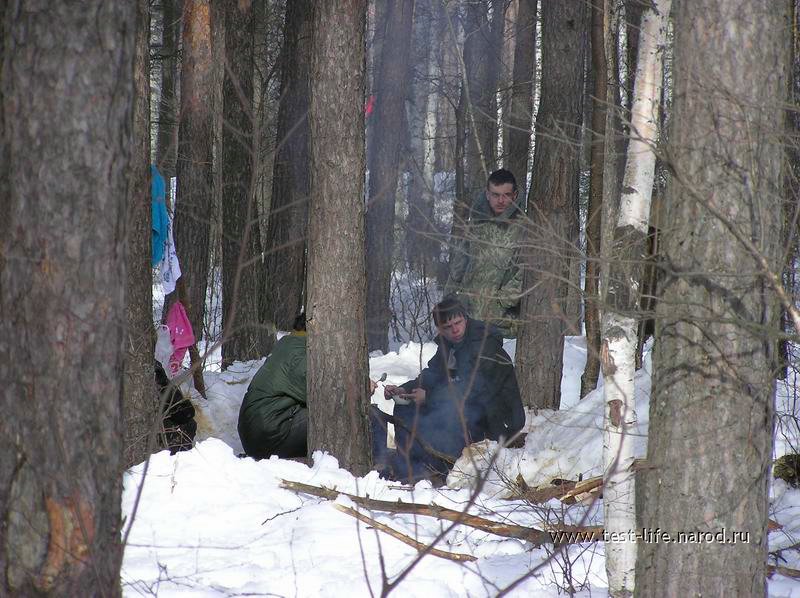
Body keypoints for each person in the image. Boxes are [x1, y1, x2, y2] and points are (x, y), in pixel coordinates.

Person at [377, 297, 525, 482]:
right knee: (405, 407)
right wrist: (404, 389)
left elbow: (475, 390)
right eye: (447, 327)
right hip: (466, 409)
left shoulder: (484, 344)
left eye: (458, 323)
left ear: (466, 318)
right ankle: (408, 466)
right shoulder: (449, 345)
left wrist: (429, 398)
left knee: (446, 419)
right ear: (440, 328)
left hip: (495, 420)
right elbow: (433, 376)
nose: (455, 330)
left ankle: (438, 467)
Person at [445, 168, 524, 337]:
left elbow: (524, 274)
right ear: (487, 194)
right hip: (465, 320)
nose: (501, 200)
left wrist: (498, 304)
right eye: (495, 195)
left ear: (515, 195)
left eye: (506, 195)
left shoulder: (524, 229)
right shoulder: (476, 222)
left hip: (500, 326)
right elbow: (459, 264)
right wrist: (448, 302)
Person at [238, 314, 308, 459]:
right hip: (269, 436)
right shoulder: (299, 353)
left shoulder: (289, 344)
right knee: (342, 414)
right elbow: (325, 398)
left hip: (259, 434)